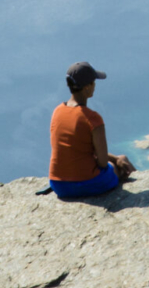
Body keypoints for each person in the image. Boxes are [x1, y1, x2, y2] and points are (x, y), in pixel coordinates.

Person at [47, 60, 135, 200]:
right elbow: (102, 162)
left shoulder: (57, 112)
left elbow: (75, 149)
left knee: (118, 159)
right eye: (93, 82)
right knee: (123, 160)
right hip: (86, 184)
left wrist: (114, 158)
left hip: (58, 185)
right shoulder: (92, 119)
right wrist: (117, 160)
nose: (94, 86)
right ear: (86, 87)